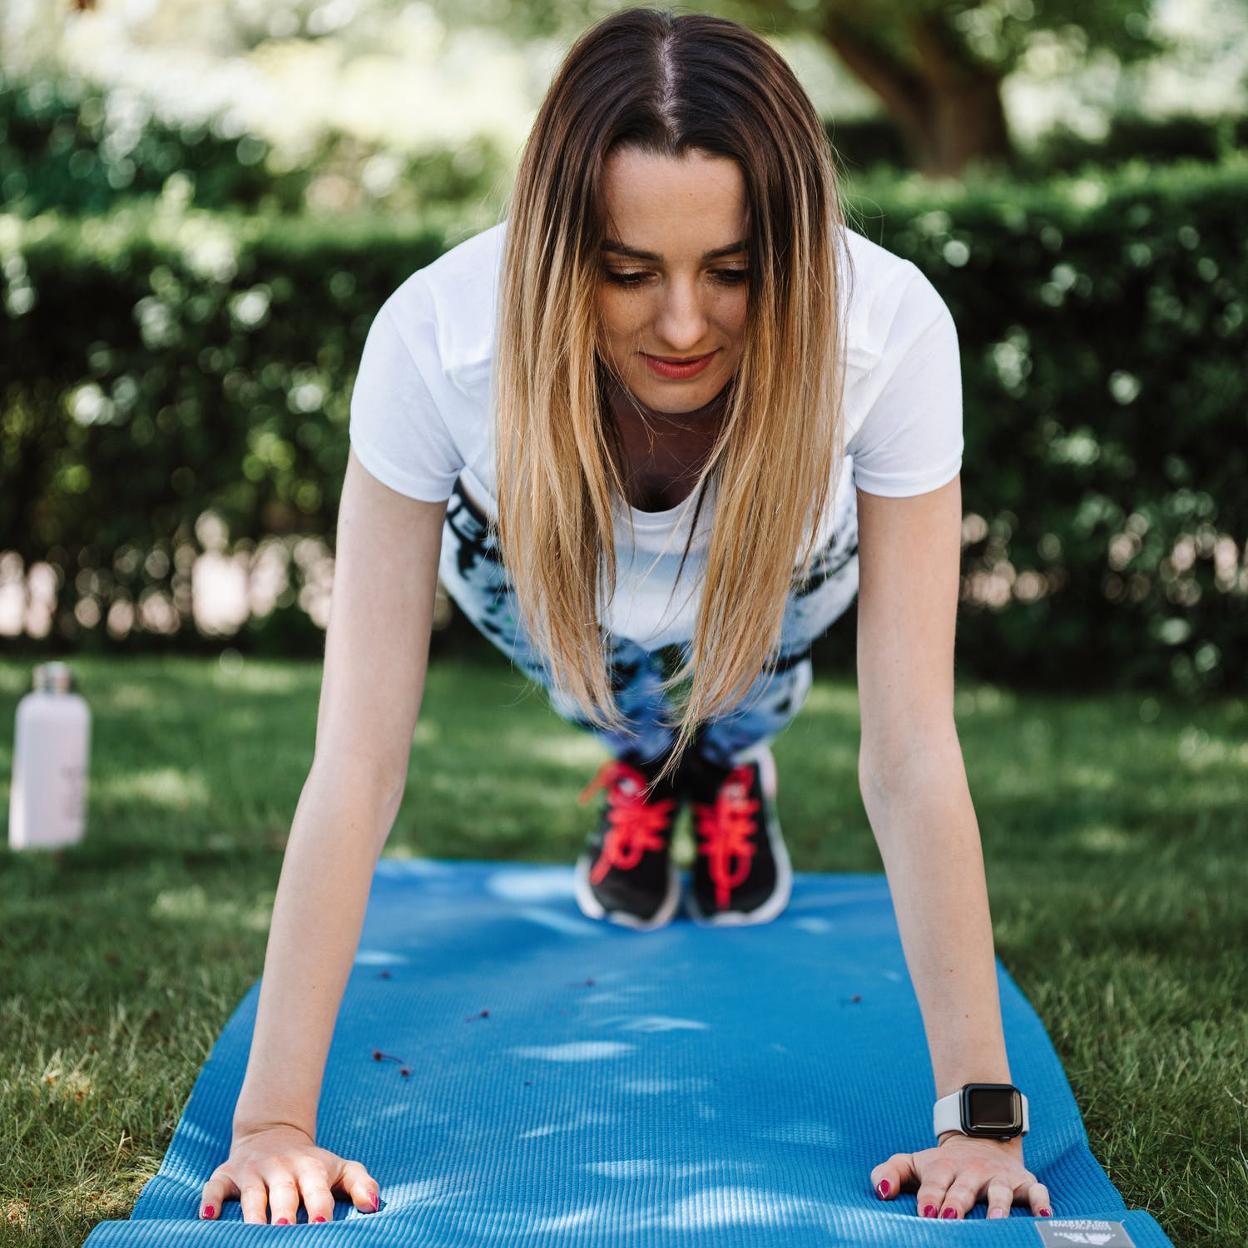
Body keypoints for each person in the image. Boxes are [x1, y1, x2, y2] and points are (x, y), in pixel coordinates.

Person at [198, 5, 1053, 1229]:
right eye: (629, 270)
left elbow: (912, 749)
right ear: (558, 251)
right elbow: (358, 756)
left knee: (734, 688)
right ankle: (648, 762)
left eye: (736, 269)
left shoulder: (890, 331)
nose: (687, 324)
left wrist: (978, 1120)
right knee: (613, 691)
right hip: (549, 598)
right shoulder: (436, 342)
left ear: (796, 250)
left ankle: (723, 754)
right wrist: (272, 1122)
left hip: (774, 591)